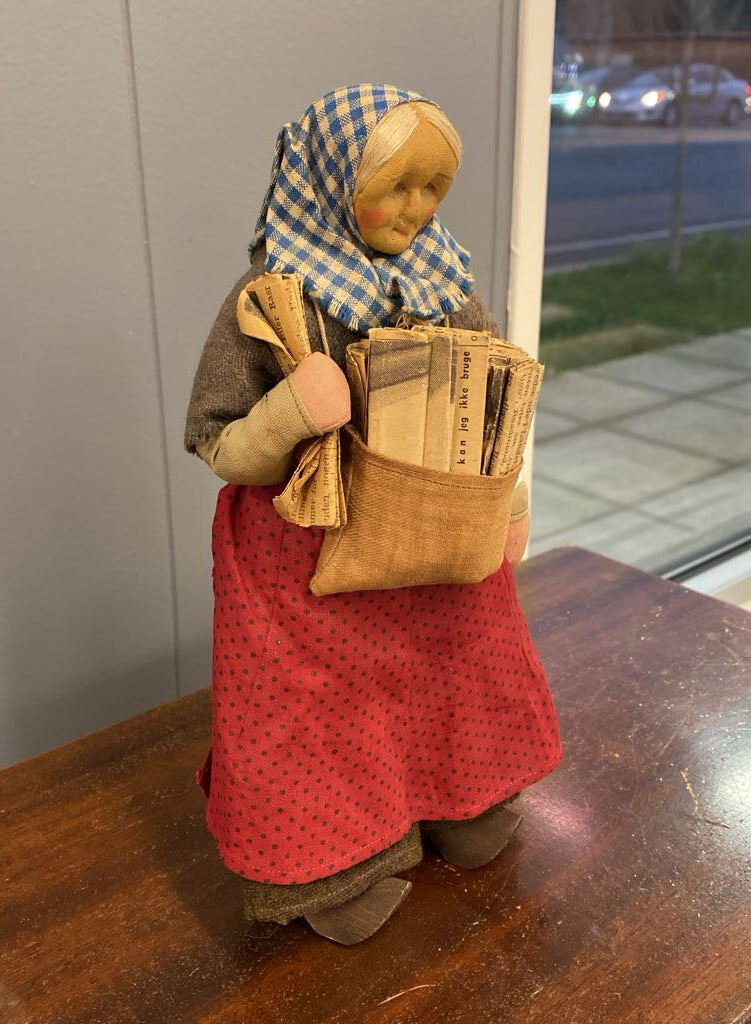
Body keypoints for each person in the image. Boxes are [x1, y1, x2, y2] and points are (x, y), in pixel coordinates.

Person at [184, 84, 561, 944]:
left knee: (460, 664)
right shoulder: (270, 299)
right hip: (307, 559)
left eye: (433, 187)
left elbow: (494, 408)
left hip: (439, 537)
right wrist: (287, 414)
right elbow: (218, 442)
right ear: (330, 179)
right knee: (315, 708)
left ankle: (462, 799)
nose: (417, 208)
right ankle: (333, 861)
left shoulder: (445, 284)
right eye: (396, 186)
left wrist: (508, 500)